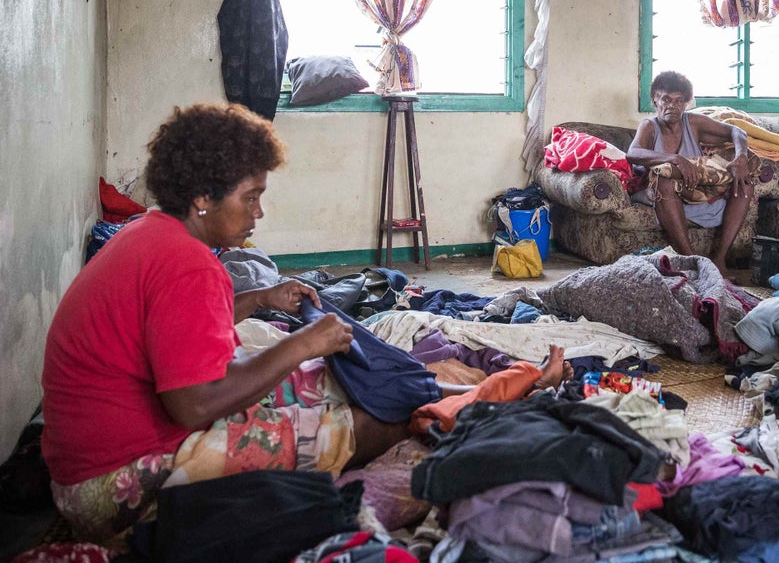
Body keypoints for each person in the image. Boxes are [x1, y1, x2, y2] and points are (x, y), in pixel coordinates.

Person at [40, 103, 569, 541]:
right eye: (250, 198)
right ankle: (489, 398)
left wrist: (262, 298)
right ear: (202, 198)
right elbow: (192, 403)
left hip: (85, 463)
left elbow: (177, 329)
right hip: (112, 487)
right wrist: (303, 344)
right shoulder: (187, 264)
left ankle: (473, 388)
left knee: (315, 377)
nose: (258, 214)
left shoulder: (151, 234)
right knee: (372, 419)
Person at [627, 71, 755, 278]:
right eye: (665, 100)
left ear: (686, 103)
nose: (672, 106)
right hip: (655, 191)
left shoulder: (693, 122)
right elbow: (633, 153)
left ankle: (720, 258)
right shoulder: (649, 126)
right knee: (664, 184)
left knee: (746, 183)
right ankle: (691, 261)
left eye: (679, 101)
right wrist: (675, 158)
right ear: (655, 101)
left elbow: (737, 132)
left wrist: (741, 158)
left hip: (692, 190)